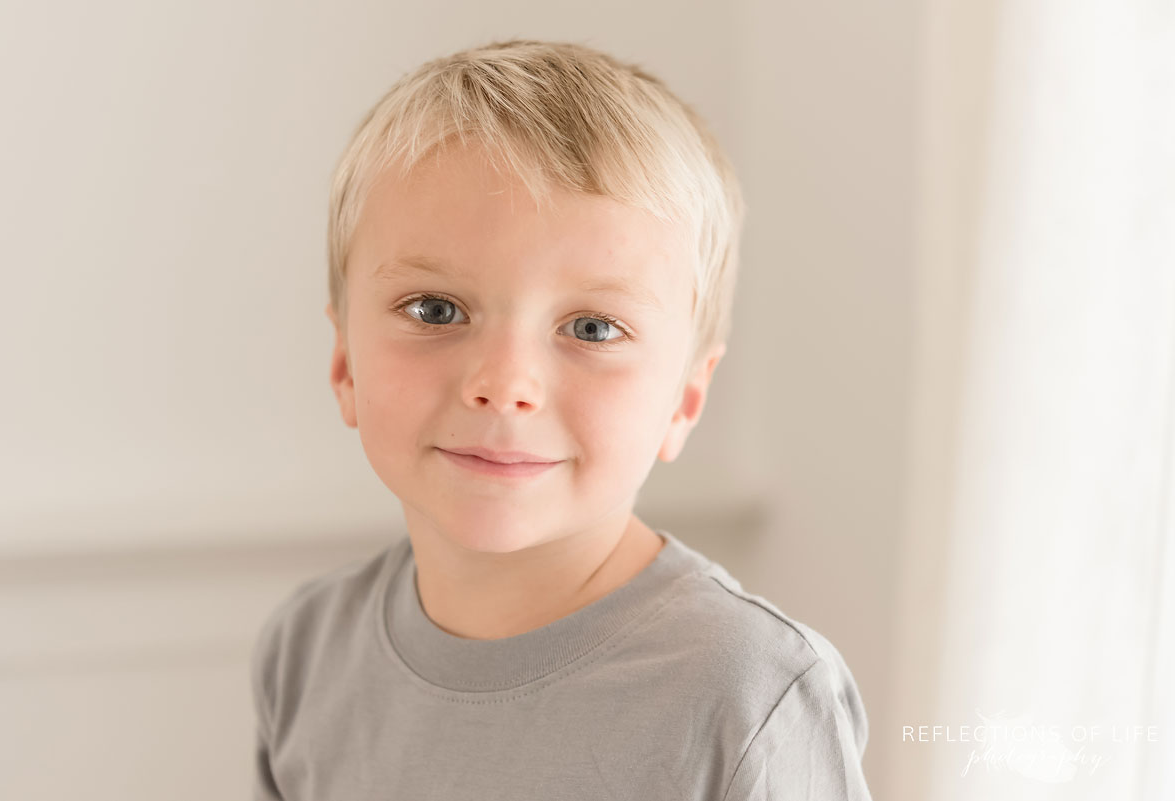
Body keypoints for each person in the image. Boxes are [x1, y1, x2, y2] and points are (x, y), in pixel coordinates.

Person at [250, 37, 872, 800]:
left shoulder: (748, 694)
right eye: (436, 310)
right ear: (345, 361)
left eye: (592, 328)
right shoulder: (307, 652)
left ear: (685, 398)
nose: (505, 384)